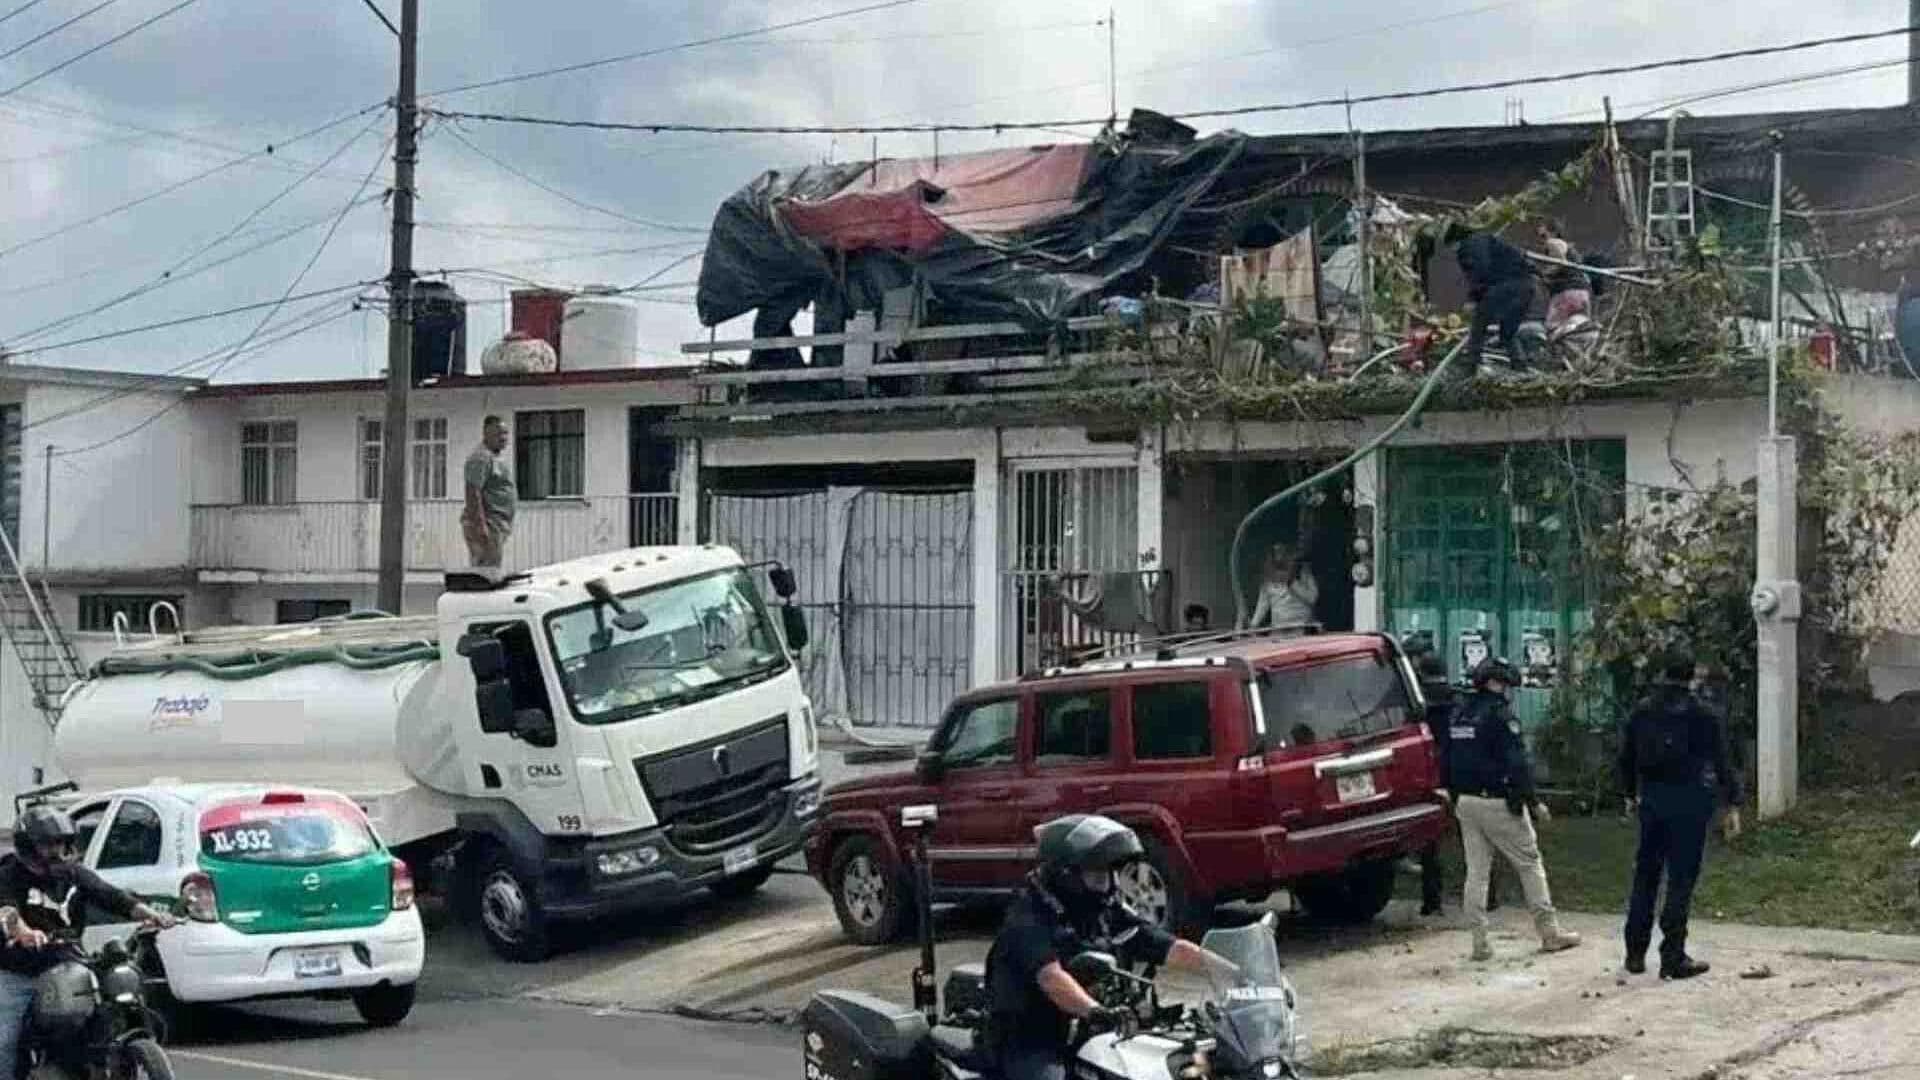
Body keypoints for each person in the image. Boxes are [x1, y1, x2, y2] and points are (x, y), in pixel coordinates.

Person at [984, 814, 1235, 1080]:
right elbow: (1051, 978)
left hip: (1092, 1027)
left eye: (1111, 874)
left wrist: (1234, 973)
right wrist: (1095, 1011)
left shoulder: (1101, 909)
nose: (1108, 884)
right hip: (1032, 1039)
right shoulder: (1027, 917)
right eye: (1097, 874)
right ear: (1066, 873)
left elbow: (1167, 946)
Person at [0, 806, 177, 1077]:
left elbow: (110, 895)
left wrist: (151, 915)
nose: (57, 850)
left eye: (61, 842)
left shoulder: (72, 874)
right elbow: (8, 910)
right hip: (20, 973)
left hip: (69, 963)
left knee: (103, 1007)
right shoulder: (9, 875)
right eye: (48, 844)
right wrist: (23, 932)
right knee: (5, 1042)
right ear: (29, 846)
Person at [1448, 657, 1582, 961]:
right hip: (1498, 800)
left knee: (1477, 872)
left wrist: (1454, 796)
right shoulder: (1501, 716)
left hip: (1466, 802)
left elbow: (1448, 758)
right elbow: (1517, 764)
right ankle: (1550, 933)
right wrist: (1533, 802)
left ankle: (1479, 942)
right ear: (1497, 683)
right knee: (1529, 862)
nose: (1509, 691)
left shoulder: (1460, 715)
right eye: (1506, 685)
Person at [1619, 655, 1743, 981]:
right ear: (1694, 676)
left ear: (1663, 674)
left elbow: (1626, 757)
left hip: (1653, 800)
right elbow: (1722, 762)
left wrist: (1630, 794)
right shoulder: (1703, 714)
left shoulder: (1642, 711)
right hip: (1690, 801)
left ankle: (1634, 952)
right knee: (1680, 880)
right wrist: (1732, 804)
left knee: (1645, 876)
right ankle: (1672, 956)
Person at [1412, 652, 1501, 917]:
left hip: (1431, 775)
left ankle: (1432, 901)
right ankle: (1489, 896)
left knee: (1430, 843)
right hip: (1461, 776)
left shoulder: (1416, 701)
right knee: (1475, 840)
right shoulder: (1458, 699)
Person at [1448, 224, 1537, 372]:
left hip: (1508, 284)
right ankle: (1520, 366)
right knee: (1507, 332)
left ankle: (1471, 364)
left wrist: (1474, 296)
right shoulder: (1489, 241)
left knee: (1479, 321)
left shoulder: (1471, 243)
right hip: (1526, 286)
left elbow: (1480, 270)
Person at [462, 415, 516, 569]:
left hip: (497, 524)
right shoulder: (481, 458)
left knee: (491, 568)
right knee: (486, 573)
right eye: (499, 434)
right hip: (488, 523)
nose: (503, 438)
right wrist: (480, 526)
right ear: (486, 434)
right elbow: (473, 492)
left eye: (506, 433)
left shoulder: (494, 457)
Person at [1535, 219, 1591, 333]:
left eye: (1543, 236)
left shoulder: (1553, 243)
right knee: (1576, 329)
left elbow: (1561, 263)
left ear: (1554, 233)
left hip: (1566, 293)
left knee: (1551, 327)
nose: (1541, 240)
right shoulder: (1570, 248)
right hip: (1582, 293)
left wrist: (1541, 274)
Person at [1246, 544, 1318, 630]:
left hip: (1303, 627)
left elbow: (1312, 598)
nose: (1280, 557)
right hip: (1280, 630)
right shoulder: (1268, 579)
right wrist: (1253, 626)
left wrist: (1292, 583)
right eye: (1276, 552)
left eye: (1282, 552)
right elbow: (1262, 606)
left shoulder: (1303, 572)